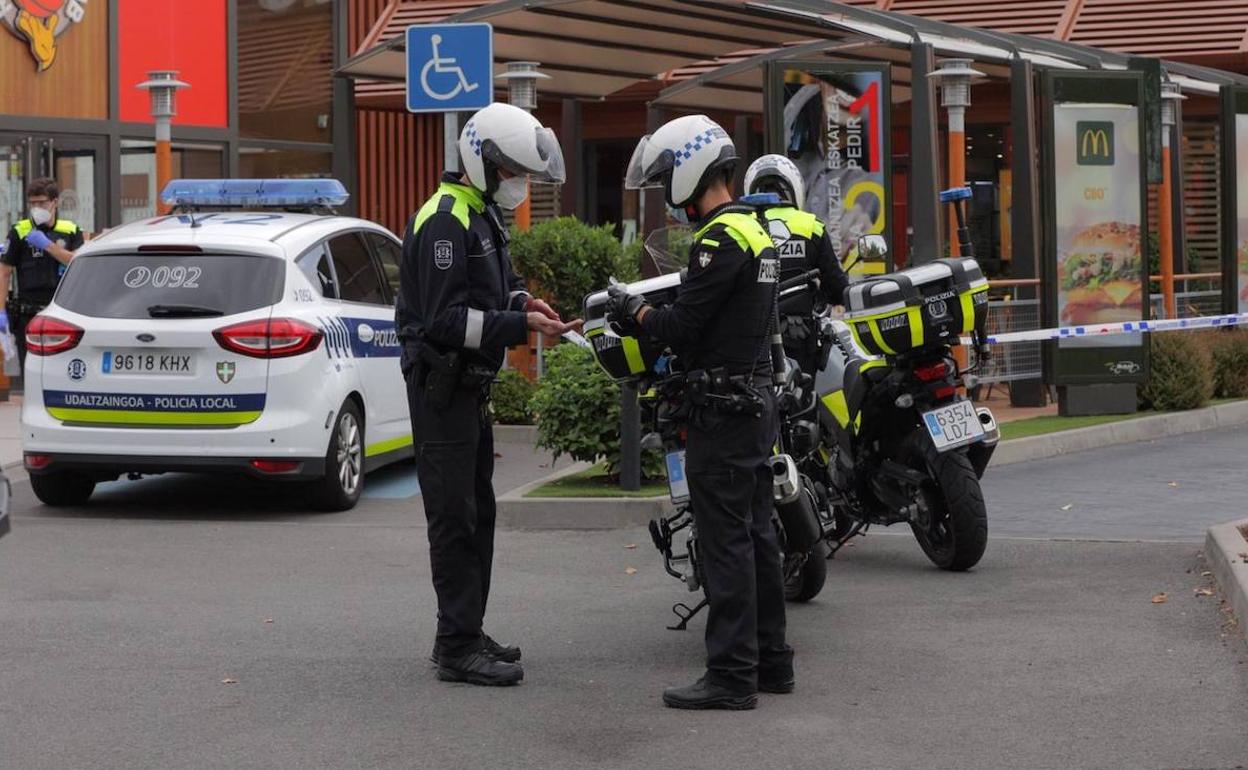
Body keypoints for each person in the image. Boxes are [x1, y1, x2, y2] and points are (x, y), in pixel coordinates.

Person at [608, 115, 793, 710]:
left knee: (725, 544)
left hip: (724, 411)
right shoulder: (759, 231)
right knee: (759, 534)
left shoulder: (720, 239)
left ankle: (732, 676)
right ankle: (771, 663)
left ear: (692, 169)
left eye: (668, 179)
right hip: (755, 401)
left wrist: (632, 310)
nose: (668, 193)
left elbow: (681, 330)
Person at [396, 102, 580, 687]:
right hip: (442, 389)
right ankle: (456, 647)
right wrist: (518, 326)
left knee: (477, 516)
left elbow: (494, 287)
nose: (518, 184)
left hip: (468, 391)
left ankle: (466, 630)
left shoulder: (479, 213)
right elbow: (447, 320)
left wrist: (524, 303)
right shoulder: (446, 219)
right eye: (511, 173)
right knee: (454, 520)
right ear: (482, 163)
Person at [744, 154, 850, 378]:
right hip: (798, 337)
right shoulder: (811, 226)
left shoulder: (742, 228)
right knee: (803, 401)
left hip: (752, 339)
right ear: (795, 187)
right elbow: (837, 287)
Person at [0, 178, 83, 381]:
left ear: (55, 202)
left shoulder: (70, 230)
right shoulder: (19, 231)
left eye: (42, 203)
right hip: (28, 314)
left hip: (61, 312)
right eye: (33, 203)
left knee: (61, 374)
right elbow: (4, 272)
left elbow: (78, 263)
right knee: (31, 375)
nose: (37, 208)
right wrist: (1, 311)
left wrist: (48, 246)